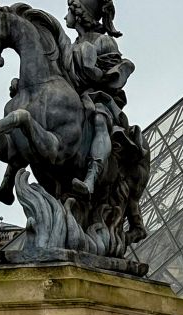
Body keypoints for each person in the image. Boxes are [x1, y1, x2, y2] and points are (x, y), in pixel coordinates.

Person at [63, 0, 146, 197]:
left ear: (79, 14)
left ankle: (91, 177)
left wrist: (90, 73)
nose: (65, 17)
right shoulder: (69, 45)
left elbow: (113, 75)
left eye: (68, 11)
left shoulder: (104, 41)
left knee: (100, 119)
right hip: (73, 98)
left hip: (101, 98)